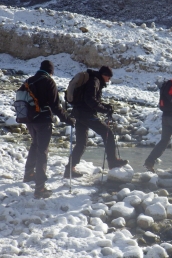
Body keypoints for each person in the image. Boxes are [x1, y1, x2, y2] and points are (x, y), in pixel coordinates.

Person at [22, 60, 76, 199]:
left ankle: (28, 174)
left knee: (35, 145)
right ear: (51, 71)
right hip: (43, 121)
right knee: (42, 152)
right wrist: (68, 119)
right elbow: (55, 106)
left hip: (29, 121)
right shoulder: (49, 82)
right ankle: (40, 189)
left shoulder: (29, 81)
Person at [66, 66, 128, 178]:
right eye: (108, 77)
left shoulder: (92, 79)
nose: (109, 80)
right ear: (104, 75)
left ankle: (69, 169)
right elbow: (90, 100)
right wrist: (105, 109)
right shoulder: (95, 81)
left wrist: (105, 106)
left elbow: (91, 99)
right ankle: (113, 162)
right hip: (87, 115)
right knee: (108, 133)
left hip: (79, 114)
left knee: (81, 143)